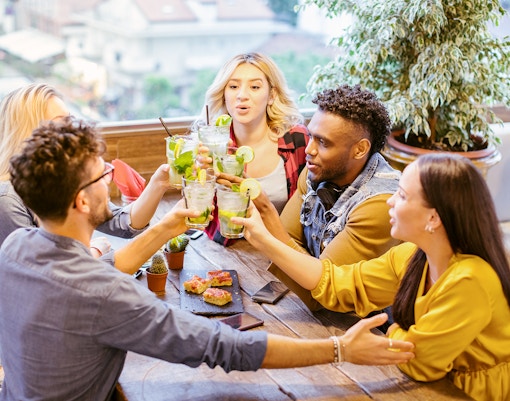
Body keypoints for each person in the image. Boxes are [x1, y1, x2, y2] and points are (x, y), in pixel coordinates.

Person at [0, 117, 414, 400]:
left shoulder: (16, 248)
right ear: (80, 201)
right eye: (102, 174)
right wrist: (340, 348)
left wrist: (165, 228)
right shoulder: (103, 295)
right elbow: (224, 346)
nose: (111, 178)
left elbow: (94, 276)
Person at [234, 153, 510, 401]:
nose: (390, 200)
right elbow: (339, 283)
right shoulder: (412, 256)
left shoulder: (469, 279)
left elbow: (420, 363)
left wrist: (395, 331)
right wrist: (265, 241)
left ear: (433, 218)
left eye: (401, 195)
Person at [220, 84, 401, 312]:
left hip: (372, 329)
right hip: (315, 312)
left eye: (323, 142)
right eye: (311, 137)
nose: (309, 150)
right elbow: (288, 240)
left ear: (359, 149)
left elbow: (322, 295)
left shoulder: (380, 205)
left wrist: (265, 209)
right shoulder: (318, 170)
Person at [0, 83, 171, 254]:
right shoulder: (7, 201)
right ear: (31, 134)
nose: (72, 132)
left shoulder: (64, 175)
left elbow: (121, 223)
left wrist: (158, 183)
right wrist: (94, 252)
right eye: (61, 125)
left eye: (70, 122)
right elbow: (40, 271)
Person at [196, 52, 309, 245]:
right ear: (224, 95)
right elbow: (198, 215)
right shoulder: (211, 145)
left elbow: (313, 210)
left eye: (255, 87)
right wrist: (201, 180)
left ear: (271, 95)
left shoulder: (297, 139)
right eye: (233, 87)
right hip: (229, 250)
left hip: (285, 250)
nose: (242, 96)